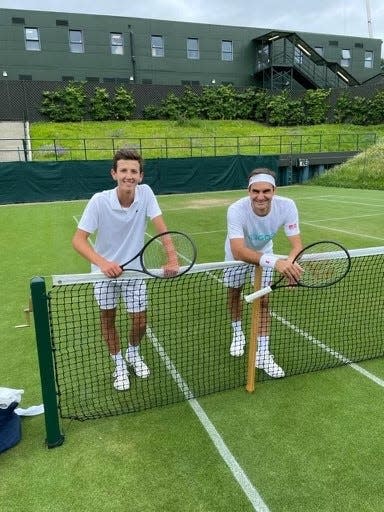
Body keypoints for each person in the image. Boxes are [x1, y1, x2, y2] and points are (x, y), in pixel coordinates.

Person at [72, 148, 179, 391]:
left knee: (140, 322)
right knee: (108, 320)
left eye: (133, 171)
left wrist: (172, 258)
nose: (128, 176)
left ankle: (132, 352)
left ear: (140, 176)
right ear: (114, 174)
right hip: (104, 274)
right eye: (123, 171)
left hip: (134, 273)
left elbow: (161, 228)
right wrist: (103, 263)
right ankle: (118, 363)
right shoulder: (99, 201)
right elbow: (78, 240)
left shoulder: (147, 194)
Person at [224, 168, 303, 378]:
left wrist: (291, 265)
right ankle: (237, 332)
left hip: (266, 252)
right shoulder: (236, 209)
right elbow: (238, 250)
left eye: (266, 191)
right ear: (248, 191)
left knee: (264, 301)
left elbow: (296, 245)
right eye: (255, 191)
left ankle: (263, 354)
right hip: (237, 255)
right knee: (234, 293)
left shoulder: (287, 206)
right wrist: (277, 262)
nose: (261, 196)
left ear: (274, 190)